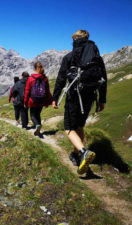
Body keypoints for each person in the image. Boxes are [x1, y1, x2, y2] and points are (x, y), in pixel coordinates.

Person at [52, 30, 107, 175]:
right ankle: (76, 154)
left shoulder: (69, 57)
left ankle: (83, 152)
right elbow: (104, 79)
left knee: (69, 128)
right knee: (80, 126)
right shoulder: (97, 58)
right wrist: (102, 100)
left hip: (74, 97)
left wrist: (55, 98)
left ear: (75, 40)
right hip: (90, 96)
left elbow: (60, 79)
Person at [24, 62, 53, 136]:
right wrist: (48, 102)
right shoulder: (45, 78)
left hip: (33, 101)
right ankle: (39, 130)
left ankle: (37, 126)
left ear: (34, 69)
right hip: (41, 101)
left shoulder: (30, 78)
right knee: (38, 114)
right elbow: (47, 91)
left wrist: (25, 102)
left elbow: (27, 91)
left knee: (33, 115)